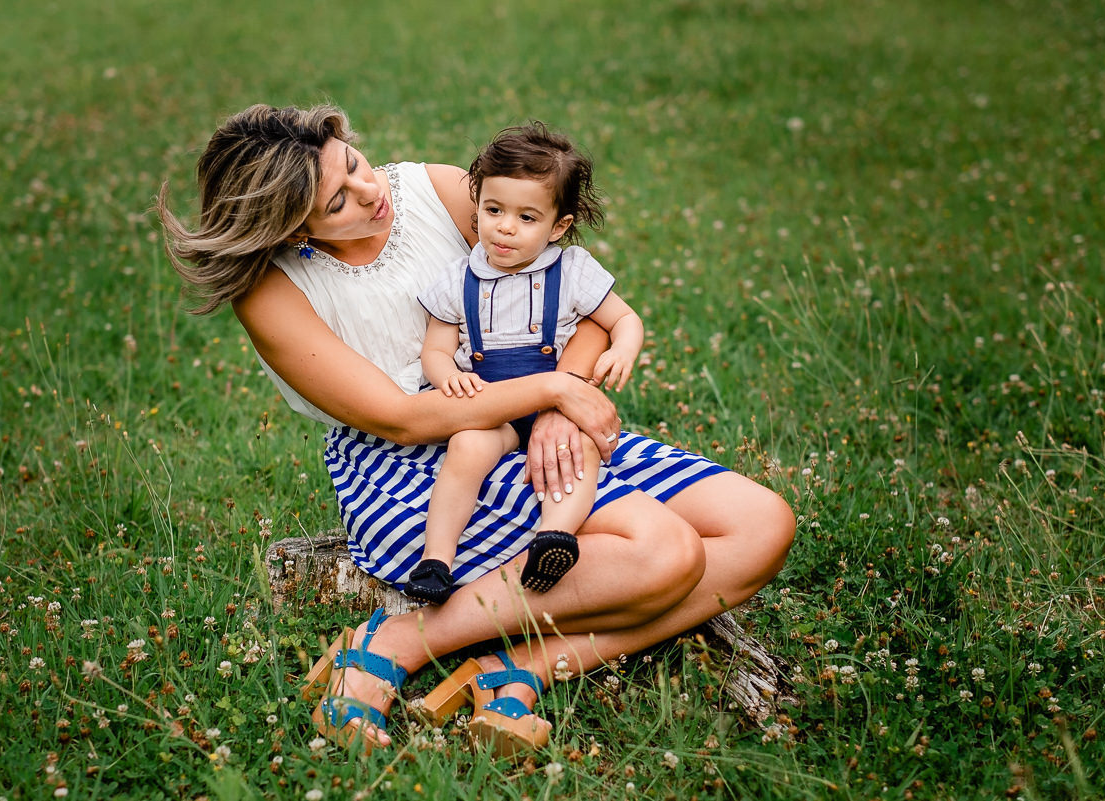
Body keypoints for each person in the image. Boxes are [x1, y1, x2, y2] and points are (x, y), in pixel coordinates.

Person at [158, 104, 795, 757]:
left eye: (354, 165)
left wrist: (555, 406)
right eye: (337, 203)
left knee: (762, 525)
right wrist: (551, 390)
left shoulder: (433, 192)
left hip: (528, 414)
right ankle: (400, 641)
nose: (370, 195)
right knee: (666, 553)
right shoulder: (270, 288)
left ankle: (519, 665)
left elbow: (579, 301)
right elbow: (396, 417)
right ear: (291, 229)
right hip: (411, 461)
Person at [406, 122, 643, 605]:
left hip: (557, 404)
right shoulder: (458, 278)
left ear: (558, 226)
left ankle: (552, 538)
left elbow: (625, 320)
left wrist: (622, 349)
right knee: (468, 447)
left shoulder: (571, 270)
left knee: (580, 454)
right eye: (493, 210)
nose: (505, 227)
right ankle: (436, 560)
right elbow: (435, 347)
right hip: (492, 405)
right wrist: (448, 375)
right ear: (478, 209)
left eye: (527, 217)